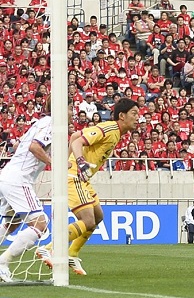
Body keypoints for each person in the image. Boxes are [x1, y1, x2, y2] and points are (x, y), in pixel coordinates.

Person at [37, 98, 141, 276]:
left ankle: (72, 253)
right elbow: (78, 142)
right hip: (75, 177)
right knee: (88, 220)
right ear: (122, 116)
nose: (138, 117)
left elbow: (76, 136)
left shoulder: (115, 133)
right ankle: (49, 248)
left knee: (98, 216)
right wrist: (78, 162)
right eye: (134, 113)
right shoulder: (109, 128)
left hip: (81, 178)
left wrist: (67, 161)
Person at [0, 97, 53, 282]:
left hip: (8, 175)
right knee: (40, 223)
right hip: (19, 179)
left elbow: (20, 145)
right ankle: (3, 262)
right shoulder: (51, 123)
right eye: (71, 108)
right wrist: (53, 163)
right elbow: (34, 146)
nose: (73, 113)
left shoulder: (40, 123)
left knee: (11, 223)